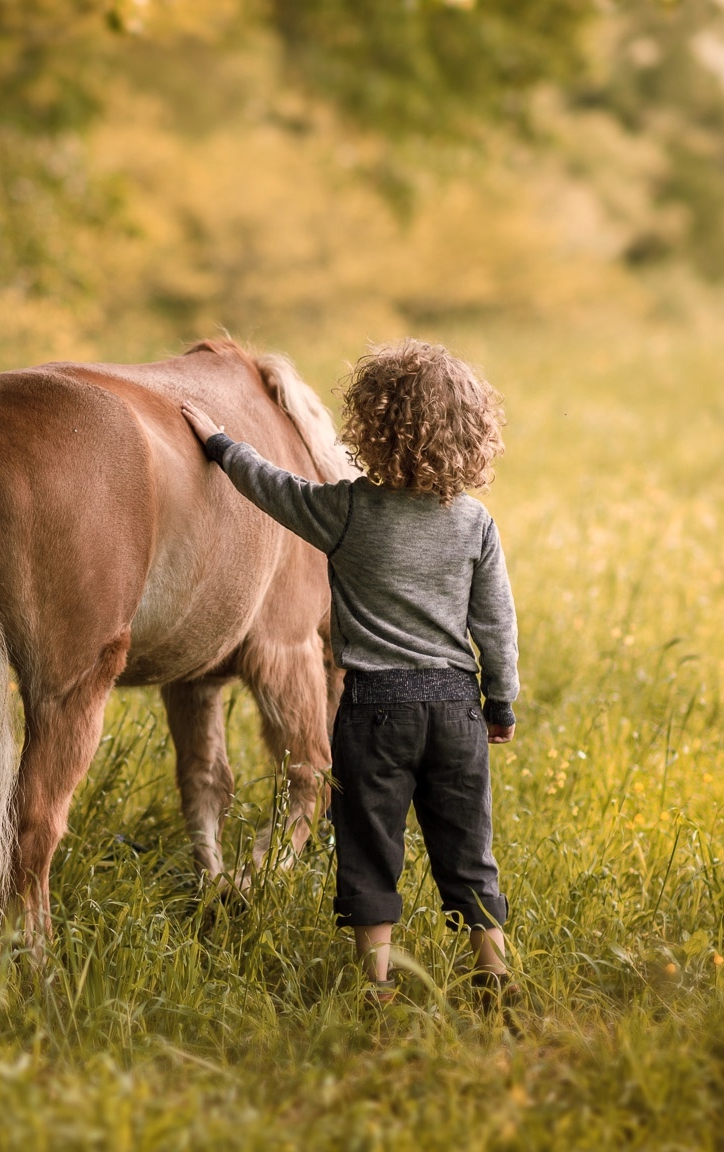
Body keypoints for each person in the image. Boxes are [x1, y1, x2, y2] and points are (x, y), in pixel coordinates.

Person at [180, 338, 519, 1003]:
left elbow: (270, 486)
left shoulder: (347, 510)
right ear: (474, 433)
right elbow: (496, 627)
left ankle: (377, 985)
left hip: (373, 709)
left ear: (370, 425)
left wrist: (218, 442)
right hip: (455, 708)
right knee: (467, 846)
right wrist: (500, 704)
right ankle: (494, 973)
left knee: (368, 845)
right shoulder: (476, 524)